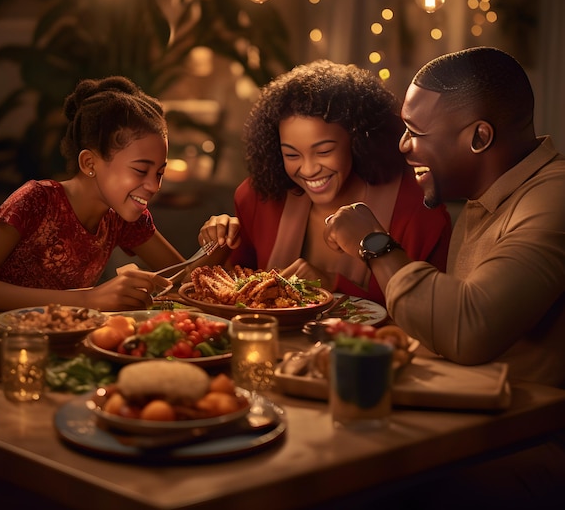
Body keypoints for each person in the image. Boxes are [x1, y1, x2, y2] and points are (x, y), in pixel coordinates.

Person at [323, 47, 565, 510]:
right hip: (475, 423)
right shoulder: (483, 199)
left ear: (479, 137)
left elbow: (469, 329)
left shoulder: (554, 198)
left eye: (415, 132)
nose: (402, 145)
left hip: (531, 444)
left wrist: (374, 243)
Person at [199, 59, 451, 306]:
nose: (308, 169)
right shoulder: (258, 198)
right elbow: (233, 290)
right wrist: (218, 241)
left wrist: (332, 282)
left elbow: (433, 315)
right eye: (292, 155)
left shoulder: (417, 211)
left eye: (323, 151)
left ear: (357, 141)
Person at [0, 76, 187, 312]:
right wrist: (87, 300)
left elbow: (187, 279)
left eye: (160, 173)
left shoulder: (123, 216)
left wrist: (223, 232)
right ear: (89, 162)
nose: (154, 186)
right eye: (141, 170)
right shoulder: (36, 200)